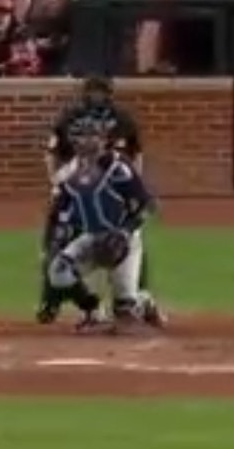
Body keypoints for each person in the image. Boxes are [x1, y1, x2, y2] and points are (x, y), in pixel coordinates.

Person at [38, 76, 163, 326]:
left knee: (125, 311)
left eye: (92, 136)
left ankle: (143, 302)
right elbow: (58, 215)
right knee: (58, 272)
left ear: (103, 139)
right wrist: (54, 244)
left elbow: (147, 206)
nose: (87, 142)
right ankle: (92, 310)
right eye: (81, 137)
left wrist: (125, 232)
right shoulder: (68, 176)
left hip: (122, 239)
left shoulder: (118, 168)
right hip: (91, 239)